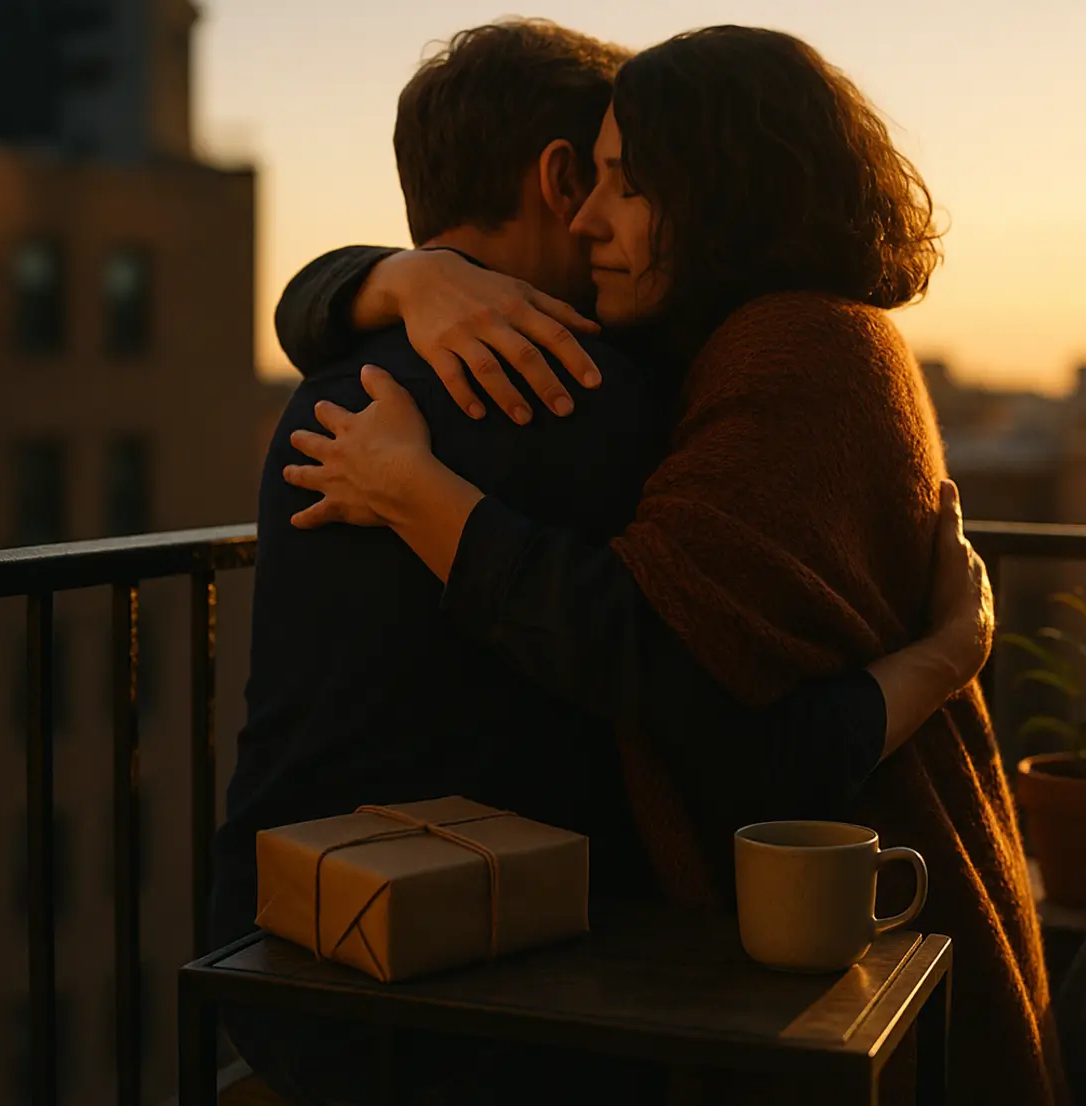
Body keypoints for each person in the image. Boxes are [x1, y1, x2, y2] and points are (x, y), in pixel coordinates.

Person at [217, 20, 997, 1105]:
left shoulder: (336, 387)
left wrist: (391, 289)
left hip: (274, 944)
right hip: (510, 985)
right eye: (600, 177)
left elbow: (652, 658)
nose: (594, 218)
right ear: (559, 175)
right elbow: (728, 729)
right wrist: (944, 656)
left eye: (631, 182)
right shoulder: (601, 398)